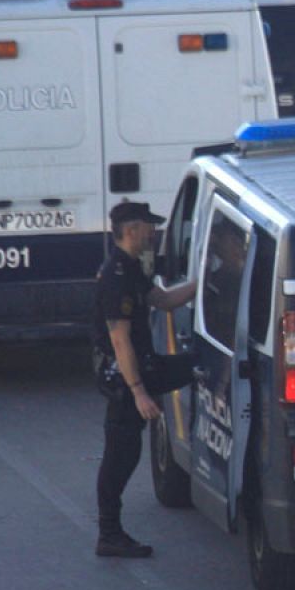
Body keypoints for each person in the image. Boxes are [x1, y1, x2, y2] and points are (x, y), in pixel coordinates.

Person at [92, 201, 198, 558]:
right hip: (125, 377)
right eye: (149, 227)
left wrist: (203, 284)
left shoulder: (132, 269)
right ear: (132, 229)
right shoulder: (115, 277)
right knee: (121, 453)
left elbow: (165, 301)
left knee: (201, 365)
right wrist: (138, 393)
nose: (153, 232)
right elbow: (119, 340)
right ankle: (109, 533)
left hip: (143, 366)